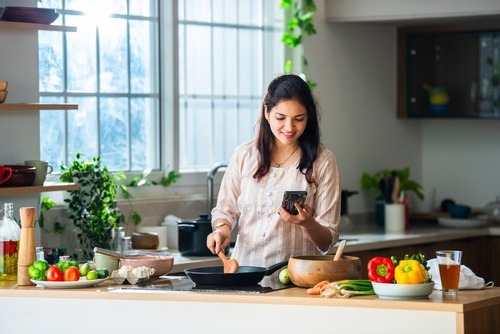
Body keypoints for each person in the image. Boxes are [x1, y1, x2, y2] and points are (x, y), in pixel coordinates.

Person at [206, 74, 341, 270]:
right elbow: (225, 211)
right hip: (244, 273)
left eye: (299, 119)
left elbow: (327, 241)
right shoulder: (245, 155)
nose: (289, 127)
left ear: (308, 118)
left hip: (297, 279)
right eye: (280, 117)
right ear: (266, 112)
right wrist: (222, 230)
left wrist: (307, 223)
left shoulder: (323, 161)